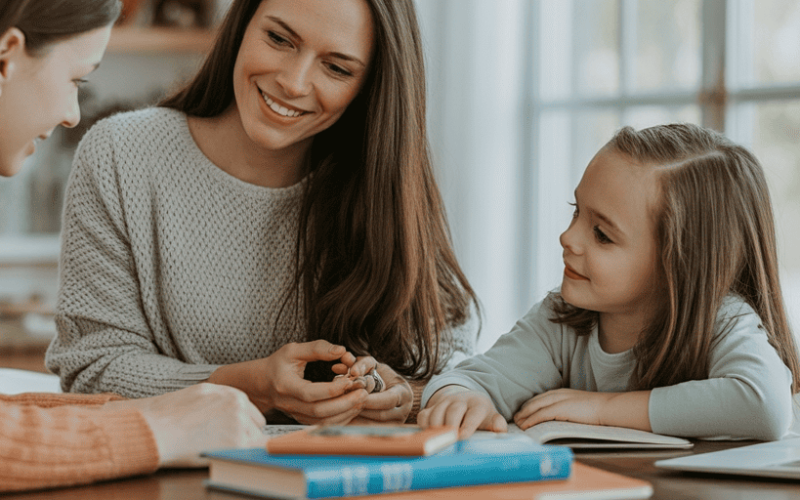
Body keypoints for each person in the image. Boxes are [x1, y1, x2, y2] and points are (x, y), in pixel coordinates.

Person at [45, 0, 478, 426]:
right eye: (278, 38)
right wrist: (251, 387)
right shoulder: (121, 156)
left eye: (337, 68)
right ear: (242, 23)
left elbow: (452, 361)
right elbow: (92, 370)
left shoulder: (382, 182)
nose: (293, 82)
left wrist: (402, 395)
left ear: (371, 86)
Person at [0, 0, 269, 492]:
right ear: (7, 56)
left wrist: (181, 402)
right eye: (77, 81)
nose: (70, 114)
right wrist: (161, 429)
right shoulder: (122, 156)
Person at [418, 123, 800, 440]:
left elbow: (765, 405)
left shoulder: (724, 320)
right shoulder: (563, 320)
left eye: (601, 234)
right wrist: (459, 397)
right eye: (576, 212)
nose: (568, 238)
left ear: (677, 266)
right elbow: (474, 379)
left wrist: (602, 409)